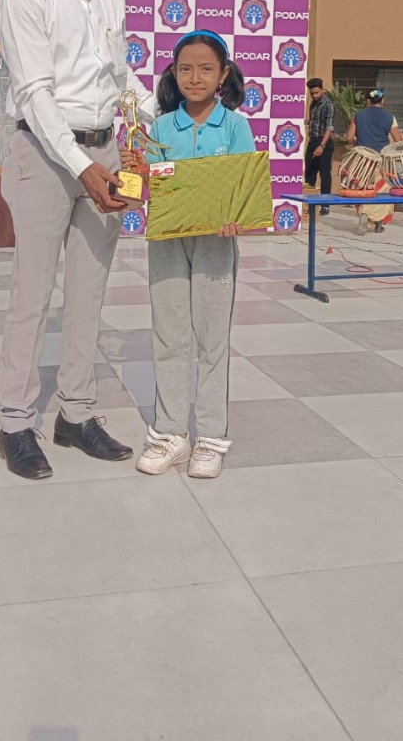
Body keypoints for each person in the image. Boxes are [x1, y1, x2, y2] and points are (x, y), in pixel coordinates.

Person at [0, 0, 155, 480]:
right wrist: (85, 169)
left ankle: (76, 414)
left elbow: (118, 77)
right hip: (43, 156)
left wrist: (160, 122)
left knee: (89, 294)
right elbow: (36, 94)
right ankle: (15, 423)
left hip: (105, 153)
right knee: (31, 296)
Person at [122, 30, 255, 480]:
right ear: (173, 73)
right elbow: (147, 187)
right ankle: (171, 434)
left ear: (223, 74)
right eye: (185, 69)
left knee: (213, 340)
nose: (194, 77)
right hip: (167, 241)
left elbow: (242, 186)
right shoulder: (159, 127)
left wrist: (236, 215)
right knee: (170, 336)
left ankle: (211, 439)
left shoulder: (235, 126)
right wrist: (135, 172)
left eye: (205, 69)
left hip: (216, 242)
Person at [346, 88, 400, 234]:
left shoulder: (358, 115)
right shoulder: (389, 117)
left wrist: (356, 145)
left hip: (362, 159)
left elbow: (349, 137)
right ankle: (379, 223)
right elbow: (397, 140)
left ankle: (364, 213)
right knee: (381, 190)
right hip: (381, 160)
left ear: (368, 101)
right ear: (382, 101)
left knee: (364, 188)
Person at [304, 77, 335, 215]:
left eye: (316, 93)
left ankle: (325, 205)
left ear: (322, 90)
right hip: (313, 141)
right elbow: (315, 120)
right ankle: (309, 204)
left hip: (324, 142)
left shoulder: (329, 105)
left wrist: (322, 146)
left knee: (324, 173)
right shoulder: (313, 103)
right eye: (312, 93)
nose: (314, 96)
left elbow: (329, 128)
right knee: (309, 173)